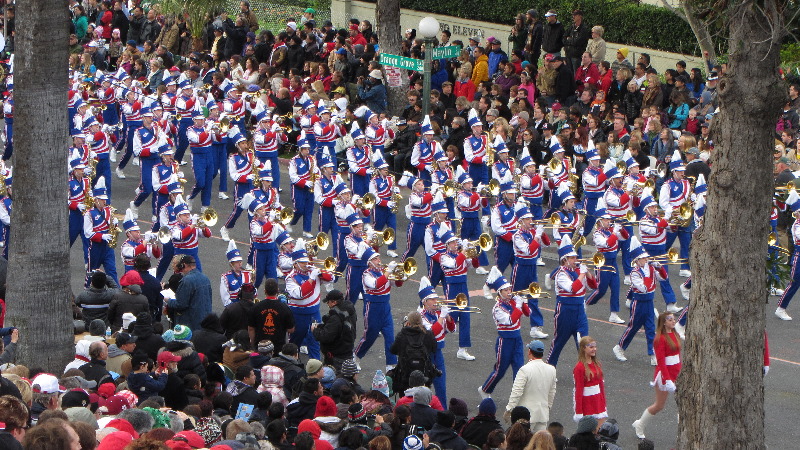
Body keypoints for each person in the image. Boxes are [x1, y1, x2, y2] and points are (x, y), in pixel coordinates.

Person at [613, 237, 667, 364]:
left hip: (649, 302)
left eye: (646, 257)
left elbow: (664, 278)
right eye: (643, 258)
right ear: (637, 260)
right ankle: (619, 347)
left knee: (651, 329)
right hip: (638, 303)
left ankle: (653, 354)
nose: (646, 259)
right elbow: (644, 288)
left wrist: (660, 268)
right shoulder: (634, 273)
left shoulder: (651, 268)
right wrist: (651, 272)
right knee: (633, 328)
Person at [479, 266, 531, 399]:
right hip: (505, 341)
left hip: (517, 339)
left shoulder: (514, 302)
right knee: (500, 371)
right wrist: (518, 306)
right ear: (499, 292)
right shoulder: (498, 308)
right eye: (506, 290)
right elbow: (510, 320)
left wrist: (524, 302)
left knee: (519, 369)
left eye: (509, 289)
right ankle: (485, 389)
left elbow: (527, 314)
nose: (509, 292)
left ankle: (517, 396)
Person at [546, 239, 598, 366]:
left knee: (584, 343)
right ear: (565, 260)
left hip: (580, 311)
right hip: (565, 311)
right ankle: (549, 368)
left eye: (576, 257)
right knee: (559, 342)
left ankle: (587, 372)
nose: (576, 260)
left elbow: (593, 285)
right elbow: (573, 288)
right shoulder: (561, 274)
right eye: (572, 258)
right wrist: (582, 274)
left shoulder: (578, 271)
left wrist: (588, 273)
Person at [632, 312, 682, 439]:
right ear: (663, 322)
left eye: (674, 319)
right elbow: (661, 362)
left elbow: (678, 356)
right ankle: (640, 425)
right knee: (659, 405)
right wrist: (667, 380)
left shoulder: (675, 334)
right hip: (664, 375)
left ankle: (682, 433)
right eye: (670, 319)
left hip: (677, 372)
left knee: (682, 404)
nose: (673, 321)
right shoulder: (660, 339)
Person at [286, 240, 334, 360]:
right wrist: (312, 278)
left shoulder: (312, 272)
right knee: (295, 342)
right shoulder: (291, 278)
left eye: (306, 261)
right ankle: (292, 365)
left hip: (314, 313)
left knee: (315, 341)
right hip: (298, 314)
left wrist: (320, 273)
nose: (306, 264)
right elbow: (300, 294)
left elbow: (332, 278)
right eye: (302, 263)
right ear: (295, 264)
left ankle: (316, 367)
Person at [584, 199, 628, 324]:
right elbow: (607, 244)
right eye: (606, 220)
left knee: (615, 288)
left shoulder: (611, 230)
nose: (609, 221)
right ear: (600, 221)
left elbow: (625, 237)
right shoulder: (597, 234)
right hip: (602, 262)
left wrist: (622, 228)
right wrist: (615, 231)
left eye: (609, 219)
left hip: (613, 261)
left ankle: (614, 313)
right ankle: (586, 303)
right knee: (601, 289)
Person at [512, 206, 550, 338]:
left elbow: (547, 244)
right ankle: (509, 322)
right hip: (521, 267)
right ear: (521, 221)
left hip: (532, 267)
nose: (530, 221)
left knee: (534, 296)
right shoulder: (517, 235)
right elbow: (528, 250)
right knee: (515, 296)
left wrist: (542, 233)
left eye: (531, 218)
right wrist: (538, 234)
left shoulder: (533, 232)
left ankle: (535, 327)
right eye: (527, 219)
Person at [504, 340, 557, 432]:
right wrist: (547, 407)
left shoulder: (525, 370)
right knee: (540, 444)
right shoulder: (551, 369)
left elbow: (517, 392)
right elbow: (552, 392)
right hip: (542, 415)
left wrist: (509, 409)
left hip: (526, 416)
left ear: (529, 352)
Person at [659, 149, 692, 277]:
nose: (682, 173)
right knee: (667, 243)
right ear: (674, 172)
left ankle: (684, 267)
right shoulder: (667, 185)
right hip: (673, 218)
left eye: (683, 170)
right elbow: (663, 202)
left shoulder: (686, 183)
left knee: (686, 243)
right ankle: (659, 261)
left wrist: (692, 199)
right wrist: (672, 211)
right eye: (680, 171)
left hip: (685, 218)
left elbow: (688, 198)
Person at [390, 311, 437, 395]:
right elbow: (434, 348)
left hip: (405, 374)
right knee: (423, 396)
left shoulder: (402, 335)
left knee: (405, 400)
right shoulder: (428, 334)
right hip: (424, 373)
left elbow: (393, 350)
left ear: (408, 322)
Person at [311, 289, 357, 372]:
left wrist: (315, 330)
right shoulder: (349, 311)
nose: (327, 304)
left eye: (328, 302)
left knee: (334, 380)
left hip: (336, 357)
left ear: (334, 302)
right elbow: (338, 329)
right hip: (347, 351)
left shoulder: (335, 318)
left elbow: (325, 336)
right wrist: (323, 326)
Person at [167, 255, 213, 331]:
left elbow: (181, 304)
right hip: (205, 321)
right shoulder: (205, 278)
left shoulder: (186, 281)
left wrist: (169, 301)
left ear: (184, 265)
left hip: (190, 324)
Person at [250, 278, 295, 350]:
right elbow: (291, 330)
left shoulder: (256, 307)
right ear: (277, 290)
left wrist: (252, 345)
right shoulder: (285, 308)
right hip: (278, 348)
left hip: (260, 346)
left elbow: (251, 329)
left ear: (265, 291)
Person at [573, 336, 607, 428]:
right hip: (587, 403)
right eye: (591, 347)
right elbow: (578, 390)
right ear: (583, 348)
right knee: (589, 432)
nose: (594, 349)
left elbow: (601, 385)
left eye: (595, 346)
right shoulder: (579, 367)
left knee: (600, 430)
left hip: (598, 401)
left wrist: (603, 403)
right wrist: (579, 411)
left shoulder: (597, 364)